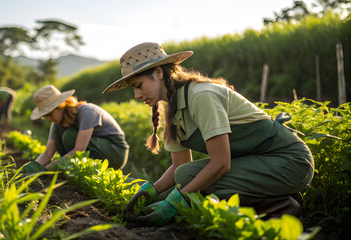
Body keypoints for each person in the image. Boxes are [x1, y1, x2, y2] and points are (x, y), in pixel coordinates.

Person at [103, 42, 315, 225]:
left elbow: (221, 163)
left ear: (158, 73)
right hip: (259, 163)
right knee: (185, 175)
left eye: (139, 85)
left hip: (290, 162)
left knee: (194, 181)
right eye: (133, 89)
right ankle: (270, 196)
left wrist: (175, 202)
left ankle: (282, 206)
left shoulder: (201, 96)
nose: (137, 95)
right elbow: (180, 166)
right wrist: (149, 192)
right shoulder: (174, 108)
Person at [21, 85, 129, 173]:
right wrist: (31, 168)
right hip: (95, 149)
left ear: (60, 106)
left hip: (115, 152)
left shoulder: (87, 112)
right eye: (45, 115)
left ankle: (86, 171)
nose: (48, 118)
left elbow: (79, 150)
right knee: (62, 136)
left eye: (49, 113)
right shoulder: (57, 123)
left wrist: (46, 170)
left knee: (69, 136)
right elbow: (48, 153)